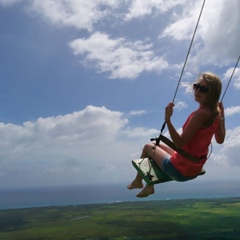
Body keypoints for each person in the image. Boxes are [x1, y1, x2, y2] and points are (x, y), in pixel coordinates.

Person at [127, 72, 226, 198]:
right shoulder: (215, 114)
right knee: (154, 145)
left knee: (148, 147)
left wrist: (168, 119)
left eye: (203, 89)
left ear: (213, 93)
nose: (198, 91)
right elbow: (220, 140)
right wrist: (222, 115)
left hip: (179, 170)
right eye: (196, 86)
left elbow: (179, 143)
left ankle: (141, 182)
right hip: (195, 168)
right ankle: (144, 184)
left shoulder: (200, 115)